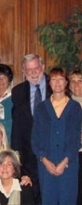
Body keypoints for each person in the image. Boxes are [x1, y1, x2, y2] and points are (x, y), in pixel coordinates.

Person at [32, 67, 81, 205]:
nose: (57, 83)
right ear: (49, 83)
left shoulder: (75, 107)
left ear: (66, 83)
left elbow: (76, 139)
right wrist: (45, 161)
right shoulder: (41, 108)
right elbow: (35, 139)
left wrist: (64, 162)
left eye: (61, 79)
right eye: (53, 79)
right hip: (46, 166)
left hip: (68, 165)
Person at [11, 53, 51, 204]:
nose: (34, 73)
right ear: (23, 72)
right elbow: (17, 125)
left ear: (43, 67)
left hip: (53, 153)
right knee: (32, 195)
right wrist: (16, 153)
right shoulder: (18, 92)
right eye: (29, 70)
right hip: (29, 154)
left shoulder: (56, 87)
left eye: (37, 68)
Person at [68, 67, 82, 205]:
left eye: (80, 81)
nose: (76, 84)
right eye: (73, 81)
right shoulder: (65, 103)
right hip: (70, 154)